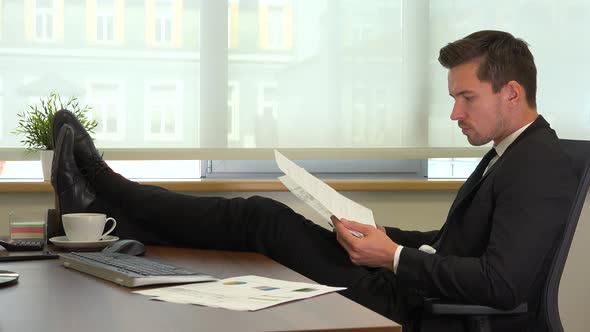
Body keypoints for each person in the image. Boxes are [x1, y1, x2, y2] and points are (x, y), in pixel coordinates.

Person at [50, 30, 577, 332]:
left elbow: (502, 284)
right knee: (260, 219)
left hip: (425, 311)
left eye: (467, 98)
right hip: (415, 285)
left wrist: (390, 257)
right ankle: (107, 198)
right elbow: (452, 247)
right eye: (453, 98)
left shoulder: (539, 161)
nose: (454, 113)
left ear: (511, 93)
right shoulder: (509, 154)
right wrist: (381, 237)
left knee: (258, 217)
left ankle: (103, 189)